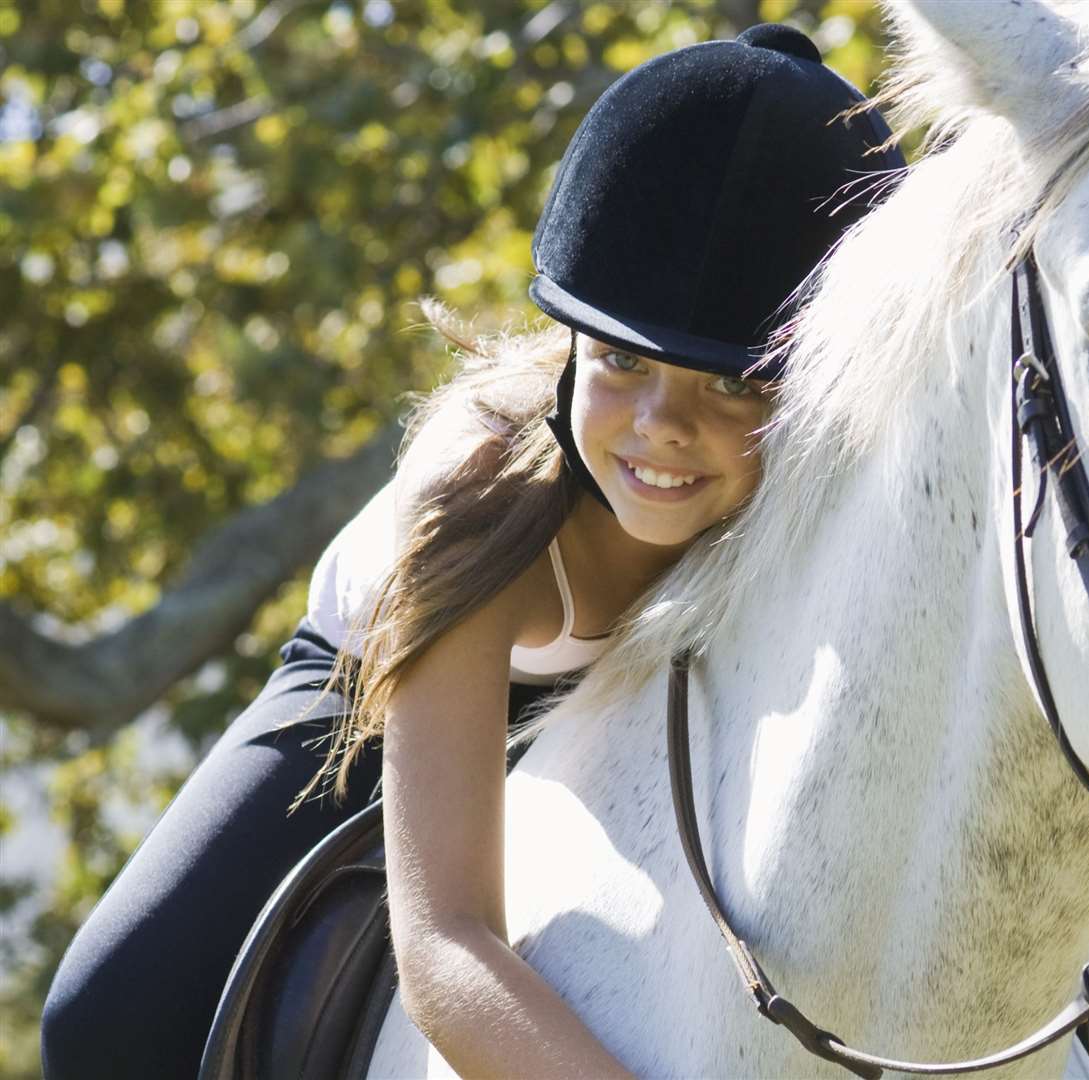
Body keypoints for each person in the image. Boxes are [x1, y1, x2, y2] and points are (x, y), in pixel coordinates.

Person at [40, 23, 905, 1078]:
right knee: (107, 1020)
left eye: (732, 386)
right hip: (368, 709)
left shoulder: (829, 482)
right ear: (574, 341)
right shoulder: (483, 495)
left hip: (639, 710)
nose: (660, 429)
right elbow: (445, 946)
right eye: (625, 363)